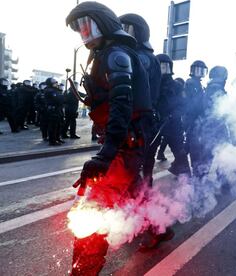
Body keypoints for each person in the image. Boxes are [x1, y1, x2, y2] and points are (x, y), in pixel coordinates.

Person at [66, 2, 152, 274]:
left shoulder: (116, 55)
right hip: (124, 143)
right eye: (78, 28)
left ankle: (85, 270)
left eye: (85, 24)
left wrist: (107, 153)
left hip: (125, 145)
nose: (82, 32)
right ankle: (160, 229)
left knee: (94, 210)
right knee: (137, 195)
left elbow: (122, 105)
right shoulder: (106, 53)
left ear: (102, 22)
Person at [119, 13, 162, 186]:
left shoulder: (141, 58)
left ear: (138, 31)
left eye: (126, 28)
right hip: (139, 119)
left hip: (137, 120)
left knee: (132, 166)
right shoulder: (140, 56)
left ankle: (138, 204)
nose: (122, 32)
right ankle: (143, 197)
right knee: (139, 162)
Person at [155, 53, 191, 176]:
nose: (163, 70)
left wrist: (172, 115)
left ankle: (186, 179)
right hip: (155, 125)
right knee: (147, 156)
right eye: (160, 66)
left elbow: (185, 105)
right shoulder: (151, 85)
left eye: (165, 67)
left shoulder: (177, 86)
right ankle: (144, 187)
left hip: (173, 125)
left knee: (180, 153)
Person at [184, 60, 208, 178]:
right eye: (197, 70)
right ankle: (195, 172)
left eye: (201, 70)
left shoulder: (199, 85)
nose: (199, 73)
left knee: (190, 146)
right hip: (192, 121)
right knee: (195, 147)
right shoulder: (190, 83)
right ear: (192, 71)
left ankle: (184, 169)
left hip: (196, 121)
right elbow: (192, 104)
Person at [44, 77, 65, 146]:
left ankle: (57, 138)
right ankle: (52, 141)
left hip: (58, 110)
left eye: (56, 82)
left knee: (59, 125)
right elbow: (58, 99)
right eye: (54, 82)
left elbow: (62, 99)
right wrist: (60, 98)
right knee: (53, 126)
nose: (56, 83)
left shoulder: (56, 90)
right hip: (52, 110)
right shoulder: (49, 90)